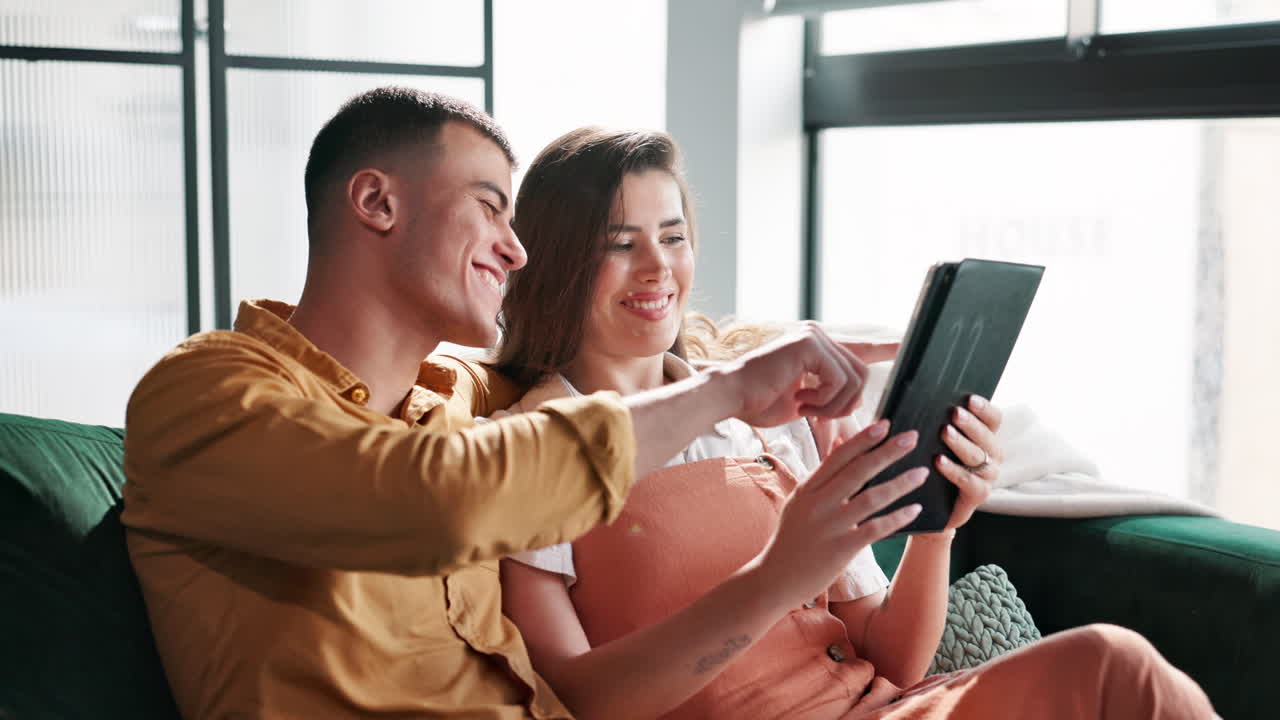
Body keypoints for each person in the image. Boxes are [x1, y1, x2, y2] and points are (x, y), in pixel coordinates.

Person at [119, 88, 900, 720]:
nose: (517, 249)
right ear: (376, 203)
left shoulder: (450, 393)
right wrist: (727, 388)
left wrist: (789, 369)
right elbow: (441, 495)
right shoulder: (208, 394)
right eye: (490, 206)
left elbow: (611, 365)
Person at [493, 126, 1218, 720]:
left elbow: (892, 656)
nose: (657, 268)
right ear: (557, 263)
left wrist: (937, 527)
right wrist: (781, 573)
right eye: (621, 244)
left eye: (673, 237)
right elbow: (578, 699)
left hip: (888, 709)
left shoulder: (766, 422)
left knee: (1112, 666)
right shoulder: (532, 449)